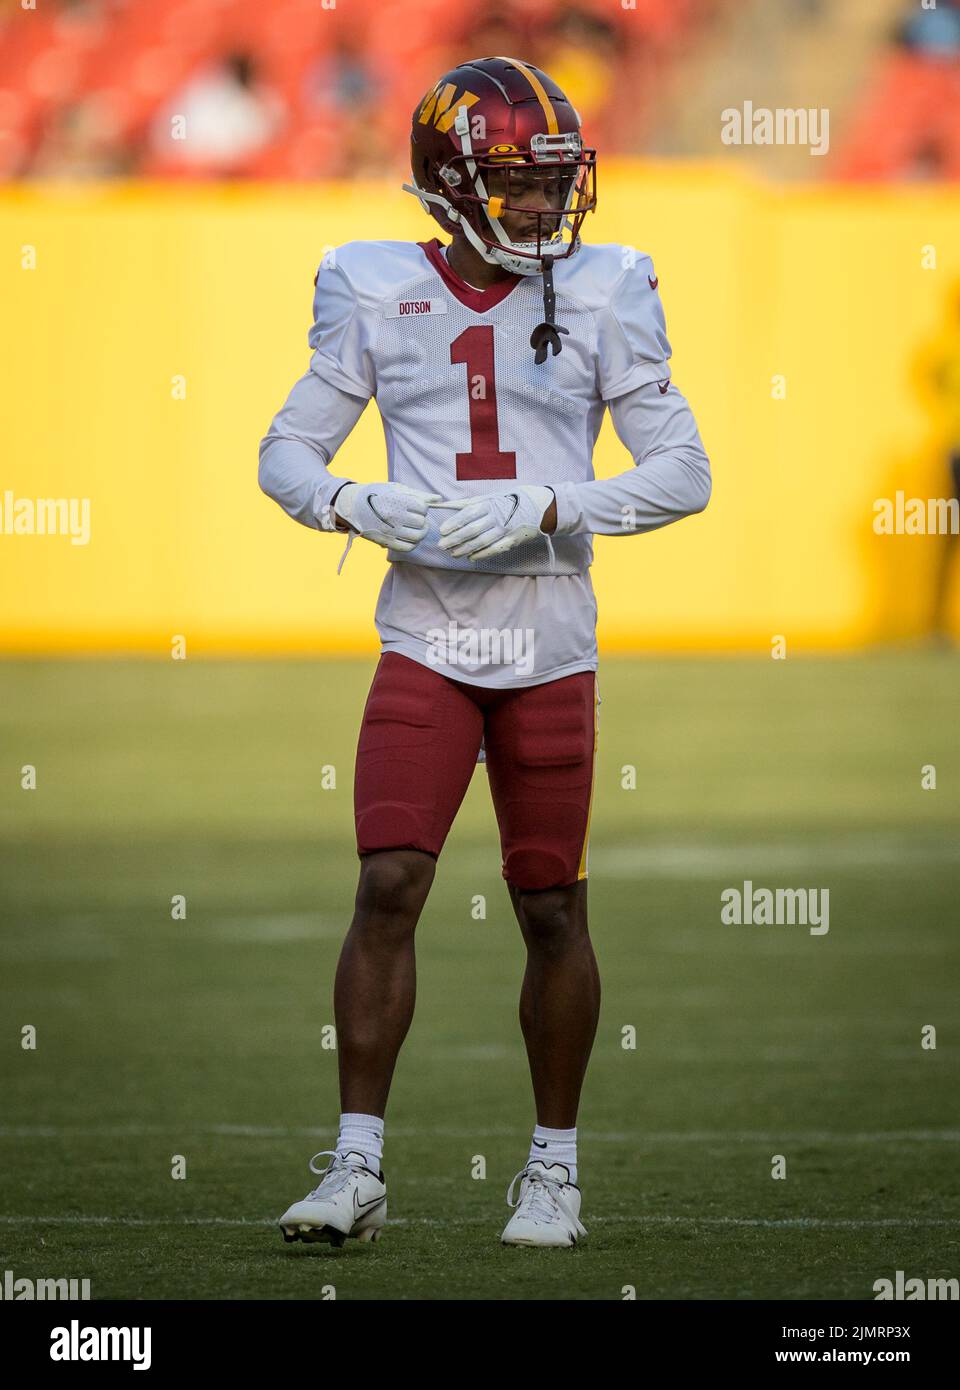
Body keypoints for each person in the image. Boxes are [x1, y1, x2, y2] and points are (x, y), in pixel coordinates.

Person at [259, 55, 711, 1249]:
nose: (540, 207)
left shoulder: (608, 286)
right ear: (450, 179)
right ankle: (357, 1167)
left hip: (551, 642)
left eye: (552, 181)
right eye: (514, 182)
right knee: (388, 881)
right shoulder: (371, 285)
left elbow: (685, 474)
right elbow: (286, 456)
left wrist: (549, 507)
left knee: (550, 904)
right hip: (428, 635)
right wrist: (363, 506)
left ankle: (552, 1173)